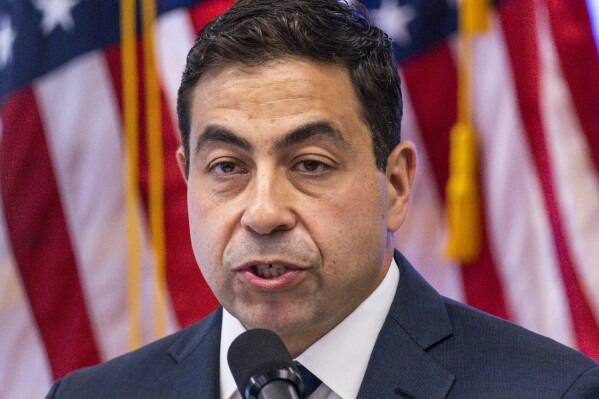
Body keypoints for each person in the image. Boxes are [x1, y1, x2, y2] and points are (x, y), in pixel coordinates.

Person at [47, 0, 599, 398]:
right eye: (227, 167)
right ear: (188, 178)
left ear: (397, 184)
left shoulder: (551, 390)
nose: (263, 213)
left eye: (310, 164)